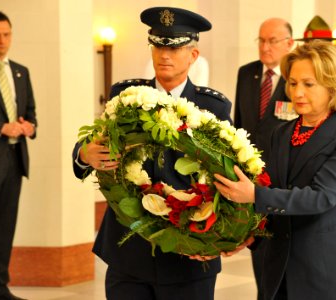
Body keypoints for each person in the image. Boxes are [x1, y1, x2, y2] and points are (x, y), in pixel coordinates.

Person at [72, 7, 231, 300]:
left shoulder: (214, 108)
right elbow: (92, 146)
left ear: (193, 56)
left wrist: (218, 236)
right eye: (158, 45)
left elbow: (227, 177)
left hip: (187, 255)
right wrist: (85, 154)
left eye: (175, 47)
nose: (165, 55)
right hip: (128, 252)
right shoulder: (125, 96)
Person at [215, 40, 336, 300]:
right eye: (292, 83)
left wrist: (255, 195)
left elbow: (321, 197)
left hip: (330, 271)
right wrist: (249, 235)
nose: (298, 92)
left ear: (332, 86)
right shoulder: (281, 133)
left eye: (308, 84)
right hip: (282, 268)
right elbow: (276, 191)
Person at [0, 10, 37, 300]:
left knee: (3, 230)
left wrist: (29, 126)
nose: (2, 40)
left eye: (6, 34)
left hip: (14, 162)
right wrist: (0, 128)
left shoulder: (20, 70)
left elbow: (31, 112)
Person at [234, 18, 294, 162]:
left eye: (272, 41)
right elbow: (239, 122)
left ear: (289, 44)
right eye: (261, 40)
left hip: (282, 163)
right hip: (247, 161)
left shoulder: (295, 76)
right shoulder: (246, 72)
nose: (265, 47)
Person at [144, 55, 209, 86]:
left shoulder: (200, 63)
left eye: (174, 49)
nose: (164, 56)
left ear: (193, 55)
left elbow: (199, 87)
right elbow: (148, 87)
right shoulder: (155, 61)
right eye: (159, 47)